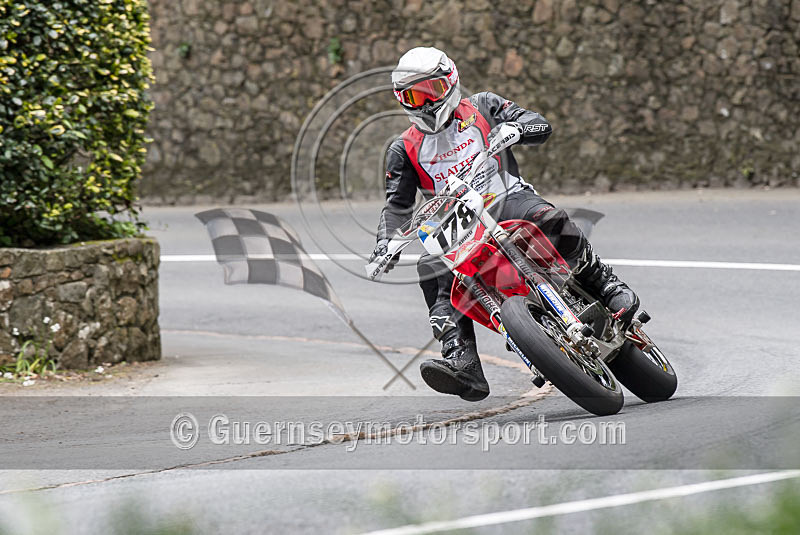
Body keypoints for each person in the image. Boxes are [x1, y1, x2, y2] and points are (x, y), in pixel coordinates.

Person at [370, 47, 638, 402]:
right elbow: (397, 206)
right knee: (430, 268)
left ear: (449, 82)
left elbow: (540, 124)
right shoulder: (403, 148)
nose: (423, 103)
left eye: (429, 91)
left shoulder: (483, 106)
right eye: (411, 96)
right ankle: (462, 362)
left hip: (505, 199)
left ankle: (604, 282)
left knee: (544, 216)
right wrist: (385, 242)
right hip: (457, 226)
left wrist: (516, 128)